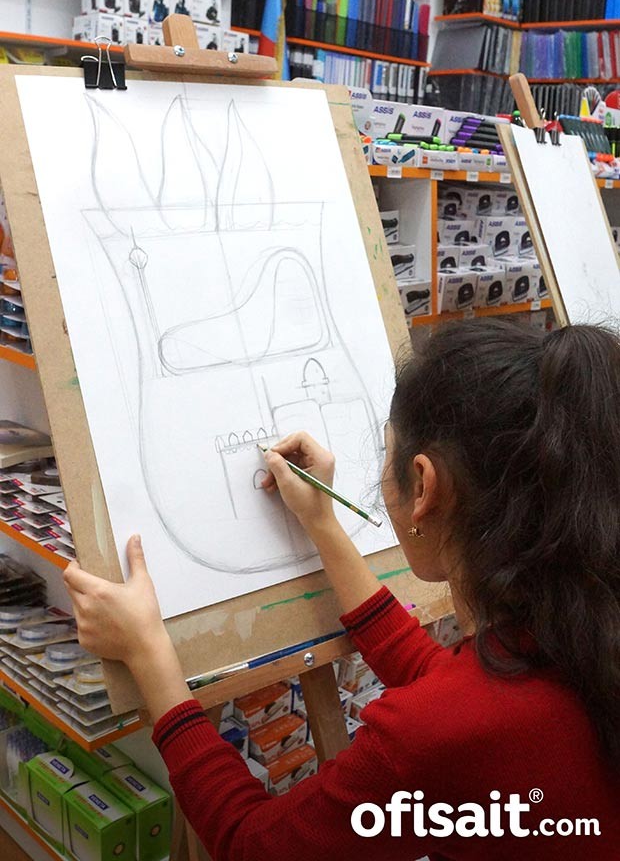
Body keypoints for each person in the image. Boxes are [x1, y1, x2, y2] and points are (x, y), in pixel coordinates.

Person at [64, 320, 620, 859]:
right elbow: (450, 688)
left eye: (386, 453)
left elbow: (253, 846)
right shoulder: (581, 625)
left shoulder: (441, 732)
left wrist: (148, 651)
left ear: (423, 485)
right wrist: (322, 523)